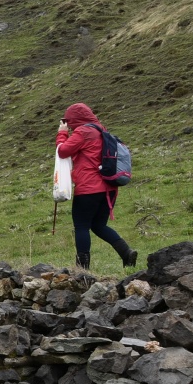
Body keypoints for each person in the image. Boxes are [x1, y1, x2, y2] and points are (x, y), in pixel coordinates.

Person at [56, 103, 137, 270]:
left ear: (75, 119)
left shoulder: (83, 132)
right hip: (109, 188)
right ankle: (126, 253)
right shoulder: (101, 129)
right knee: (99, 225)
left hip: (88, 188)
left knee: (82, 226)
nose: (69, 124)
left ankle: (82, 269)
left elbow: (63, 151)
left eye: (69, 121)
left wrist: (62, 133)